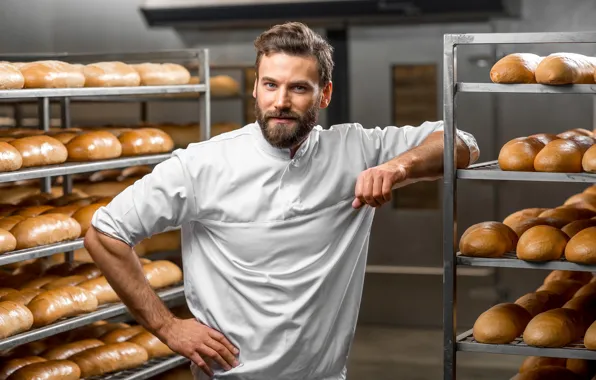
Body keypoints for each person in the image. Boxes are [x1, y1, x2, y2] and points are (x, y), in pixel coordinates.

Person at [84, 21, 479, 380]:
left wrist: (398, 167)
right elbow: (105, 233)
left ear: (324, 94)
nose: (281, 102)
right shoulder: (203, 164)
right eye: (271, 85)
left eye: (299, 88)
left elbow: (464, 143)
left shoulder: (356, 147)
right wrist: (168, 327)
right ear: (255, 87)